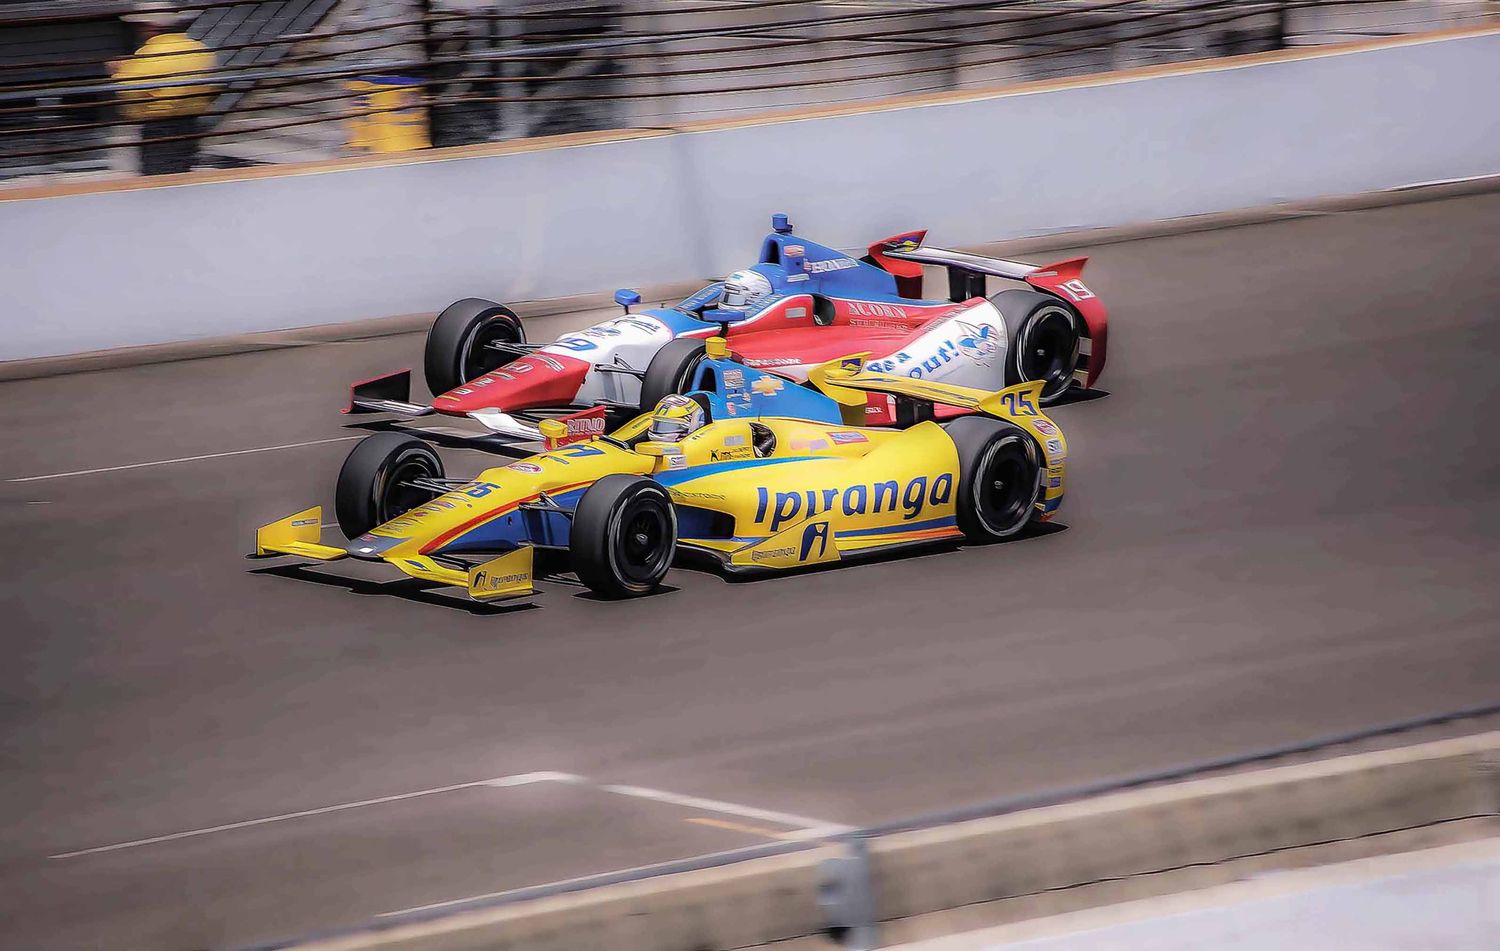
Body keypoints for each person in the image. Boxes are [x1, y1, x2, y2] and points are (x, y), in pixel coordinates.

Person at [112, 3, 219, 175]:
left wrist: (118, 71)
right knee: (182, 176)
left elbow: (127, 89)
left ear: (149, 27)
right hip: (192, 124)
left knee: (159, 181)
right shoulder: (200, 50)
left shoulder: (149, 55)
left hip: (160, 127)